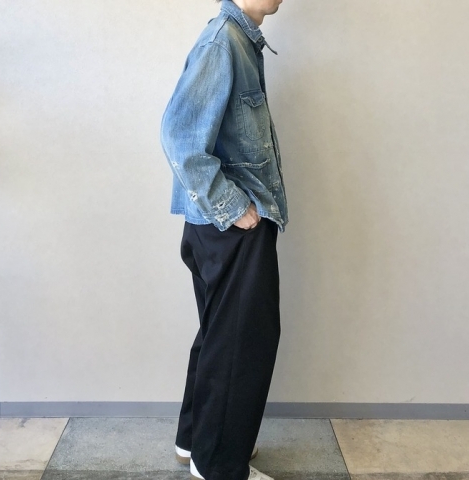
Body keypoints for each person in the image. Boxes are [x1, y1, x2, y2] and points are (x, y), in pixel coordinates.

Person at [160, 0, 288, 479]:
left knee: (221, 335)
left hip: (218, 229)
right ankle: (218, 465)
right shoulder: (222, 42)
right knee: (243, 343)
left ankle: (195, 440)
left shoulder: (239, 40)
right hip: (230, 226)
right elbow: (179, 135)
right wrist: (235, 208)